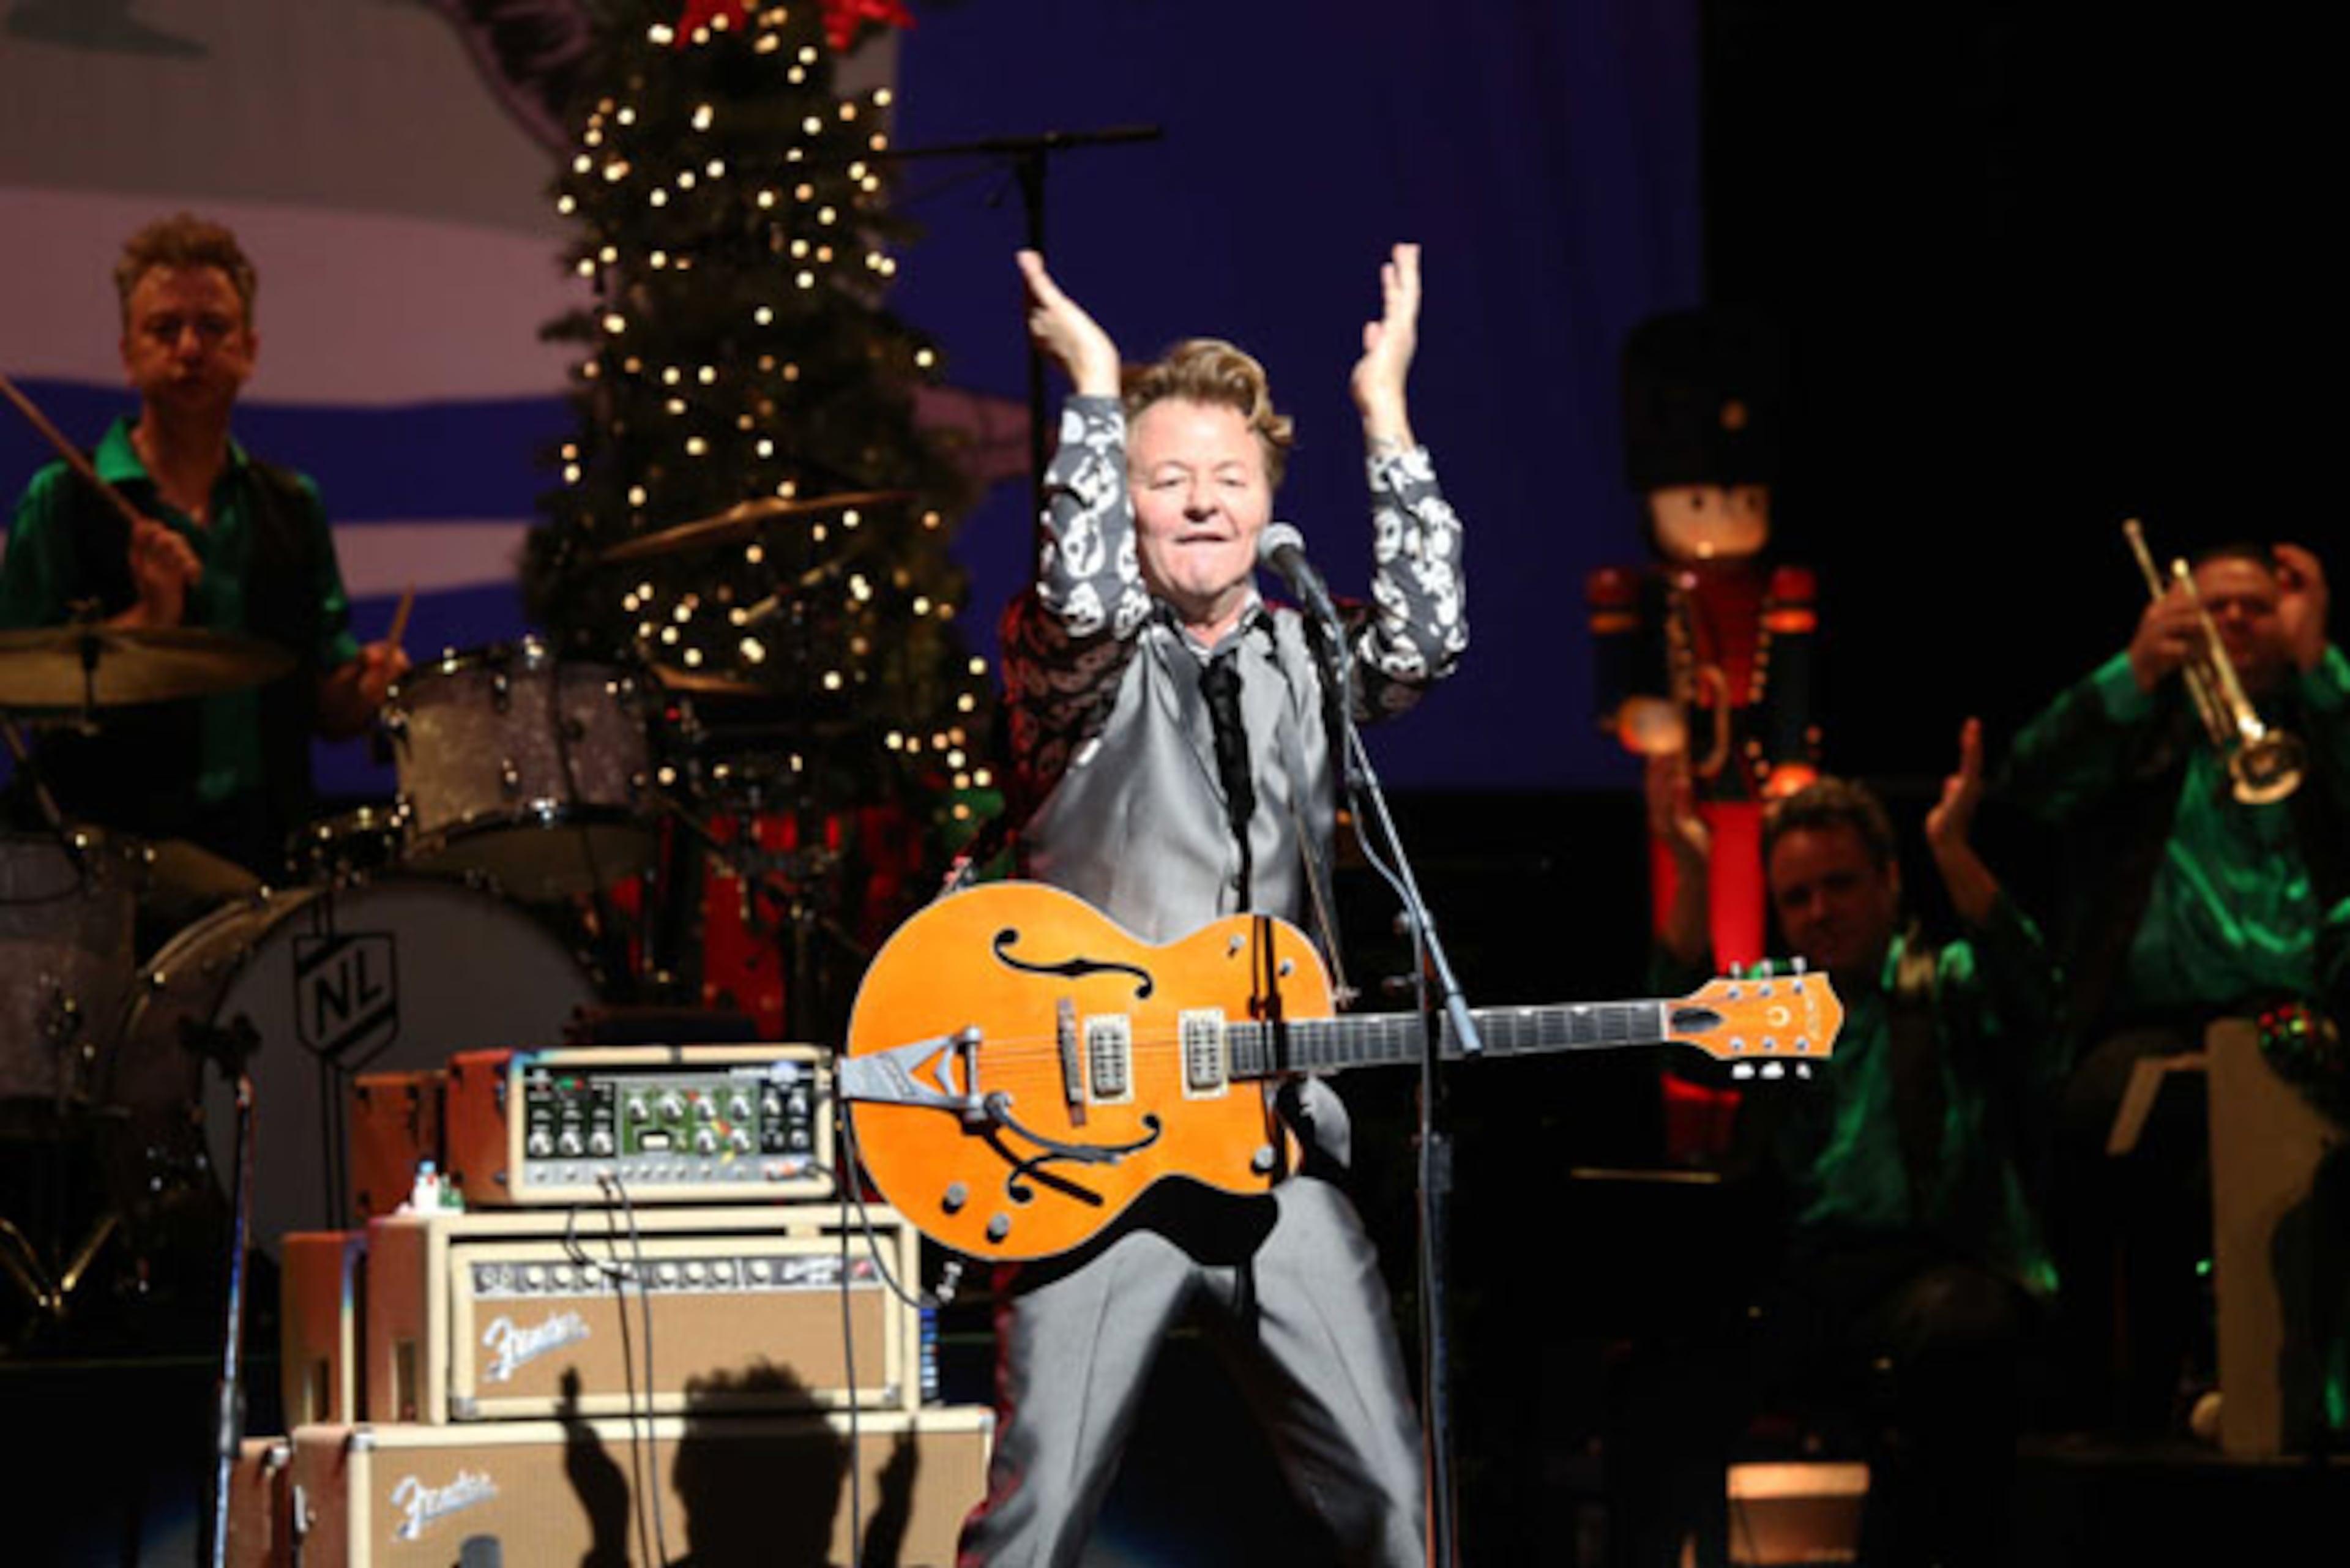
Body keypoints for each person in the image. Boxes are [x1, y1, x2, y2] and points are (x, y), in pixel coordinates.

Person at [952, 244, 1465, 1567]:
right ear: (1123, 502)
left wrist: (1386, 417)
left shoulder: (1308, 650)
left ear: (1266, 502)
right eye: (1165, 480)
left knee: (1399, 1513)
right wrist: (1089, 389)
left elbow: (1427, 639)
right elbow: (1075, 594)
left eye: (1227, 482)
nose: (1199, 507)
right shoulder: (1071, 660)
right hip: (1091, 1155)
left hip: (1271, 1142)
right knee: (1040, 1511)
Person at [1608, 726, 2063, 1568]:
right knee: (1659, 1388)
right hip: (1815, 1280)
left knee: (1959, 1350)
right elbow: (1674, 1030)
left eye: (1841, 885)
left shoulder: (1949, 980)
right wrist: (1694, 865)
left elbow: (2036, 989)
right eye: (1800, 897)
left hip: (1945, 1267)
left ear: (1891, 883)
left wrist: (1951, 846)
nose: (1821, 911)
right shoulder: (1780, 1004)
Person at [2000, 539, 2350, 1431]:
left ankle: (2284, 1389)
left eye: (2258, 606)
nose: (2233, 620)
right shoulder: (2143, 732)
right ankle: (2123, 1401)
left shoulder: (2317, 725)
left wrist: (2321, 668)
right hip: (2147, 1019)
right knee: (2098, 1123)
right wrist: (2134, 668)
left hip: (2299, 1012)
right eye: (2213, 606)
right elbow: (2029, 785)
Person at [0, 212, 407, 896]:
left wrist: (362, 690)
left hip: (274, 850)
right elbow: (17, 688)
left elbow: (325, 707)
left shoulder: (292, 504)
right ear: (128, 353)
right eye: (164, 330)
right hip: (109, 862)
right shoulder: (63, 501)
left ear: (248, 349)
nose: (190, 348)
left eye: (213, 329)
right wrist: (147, 618)